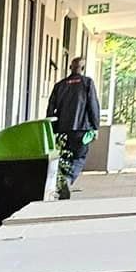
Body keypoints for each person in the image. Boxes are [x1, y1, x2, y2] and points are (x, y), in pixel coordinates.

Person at [46, 56, 101, 199]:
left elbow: (51, 108)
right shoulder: (87, 83)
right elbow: (93, 106)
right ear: (82, 69)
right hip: (82, 130)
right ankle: (68, 180)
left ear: (70, 68)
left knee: (64, 157)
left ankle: (62, 181)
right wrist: (95, 127)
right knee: (79, 158)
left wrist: (52, 129)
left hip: (62, 130)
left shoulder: (60, 85)